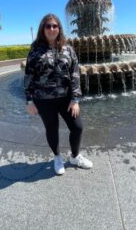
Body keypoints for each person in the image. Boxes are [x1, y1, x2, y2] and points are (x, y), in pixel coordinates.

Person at [24, 13, 93, 175]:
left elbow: (75, 74)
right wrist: (29, 100)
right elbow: (29, 76)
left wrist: (75, 99)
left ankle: (75, 156)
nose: (52, 28)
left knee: (77, 127)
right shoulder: (35, 51)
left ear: (59, 29)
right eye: (48, 26)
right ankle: (57, 157)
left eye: (55, 26)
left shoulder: (68, 49)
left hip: (66, 98)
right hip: (43, 99)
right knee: (52, 129)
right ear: (43, 29)